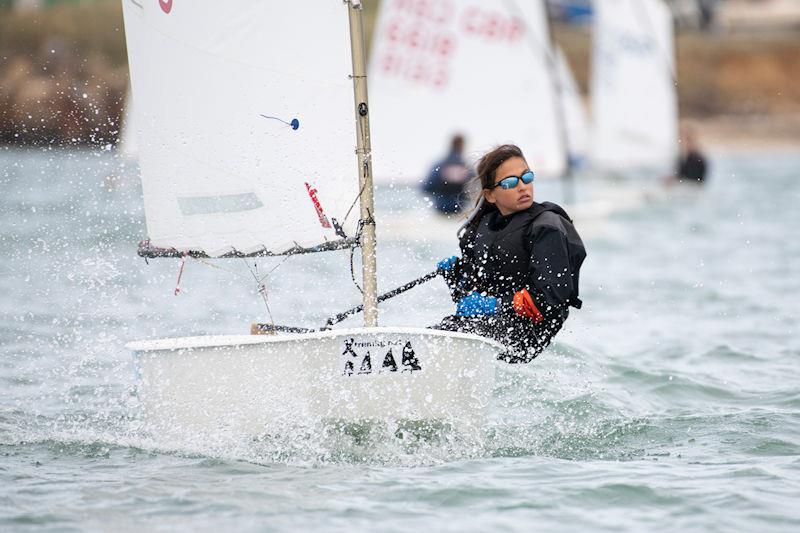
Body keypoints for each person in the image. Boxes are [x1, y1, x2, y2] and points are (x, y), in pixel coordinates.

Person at [434, 144, 586, 363]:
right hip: (488, 324)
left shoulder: (548, 227)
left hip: (528, 332)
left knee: (451, 341)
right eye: (511, 182)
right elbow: (469, 297)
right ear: (490, 195)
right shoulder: (479, 230)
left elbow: (551, 298)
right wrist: (456, 278)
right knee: (438, 335)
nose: (523, 187)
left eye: (526, 177)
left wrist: (495, 306)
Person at [421, 134, 474, 214]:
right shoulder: (467, 167)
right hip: (460, 210)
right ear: (463, 146)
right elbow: (474, 189)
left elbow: (426, 187)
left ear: (450, 145)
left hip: (440, 209)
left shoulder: (439, 166)